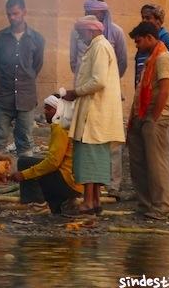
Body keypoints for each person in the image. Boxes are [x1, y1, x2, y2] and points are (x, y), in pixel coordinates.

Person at [63, 15, 125, 215]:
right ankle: (95, 201)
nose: (80, 38)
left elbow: (98, 81)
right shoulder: (100, 46)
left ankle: (89, 202)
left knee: (90, 158)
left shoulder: (99, 47)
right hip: (96, 113)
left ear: (90, 30)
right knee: (95, 158)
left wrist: (77, 91)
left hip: (95, 112)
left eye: (81, 33)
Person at [127, 21, 169, 220]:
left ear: (149, 37)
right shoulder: (149, 59)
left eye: (138, 41)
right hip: (142, 116)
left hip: (154, 118)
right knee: (140, 163)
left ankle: (161, 206)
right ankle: (145, 204)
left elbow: (164, 90)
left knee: (156, 164)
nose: (137, 45)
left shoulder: (163, 58)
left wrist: (154, 118)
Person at [0, 0, 45, 157]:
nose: (12, 18)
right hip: (3, 96)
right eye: (9, 15)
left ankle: (25, 180)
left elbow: (37, 65)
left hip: (26, 97)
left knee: (25, 142)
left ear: (24, 12)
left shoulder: (37, 39)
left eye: (15, 13)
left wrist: (24, 78)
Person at [10, 94, 83, 214]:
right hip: (75, 183)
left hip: (67, 182)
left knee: (24, 162)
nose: (45, 112)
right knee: (57, 212)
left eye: (49, 109)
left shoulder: (59, 127)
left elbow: (53, 162)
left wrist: (24, 175)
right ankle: (61, 204)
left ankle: (38, 203)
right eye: (45, 108)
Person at [136, 4, 169, 100]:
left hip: (159, 96)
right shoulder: (145, 40)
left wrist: (163, 76)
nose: (144, 21)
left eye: (148, 18)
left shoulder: (166, 39)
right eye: (143, 18)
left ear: (158, 22)